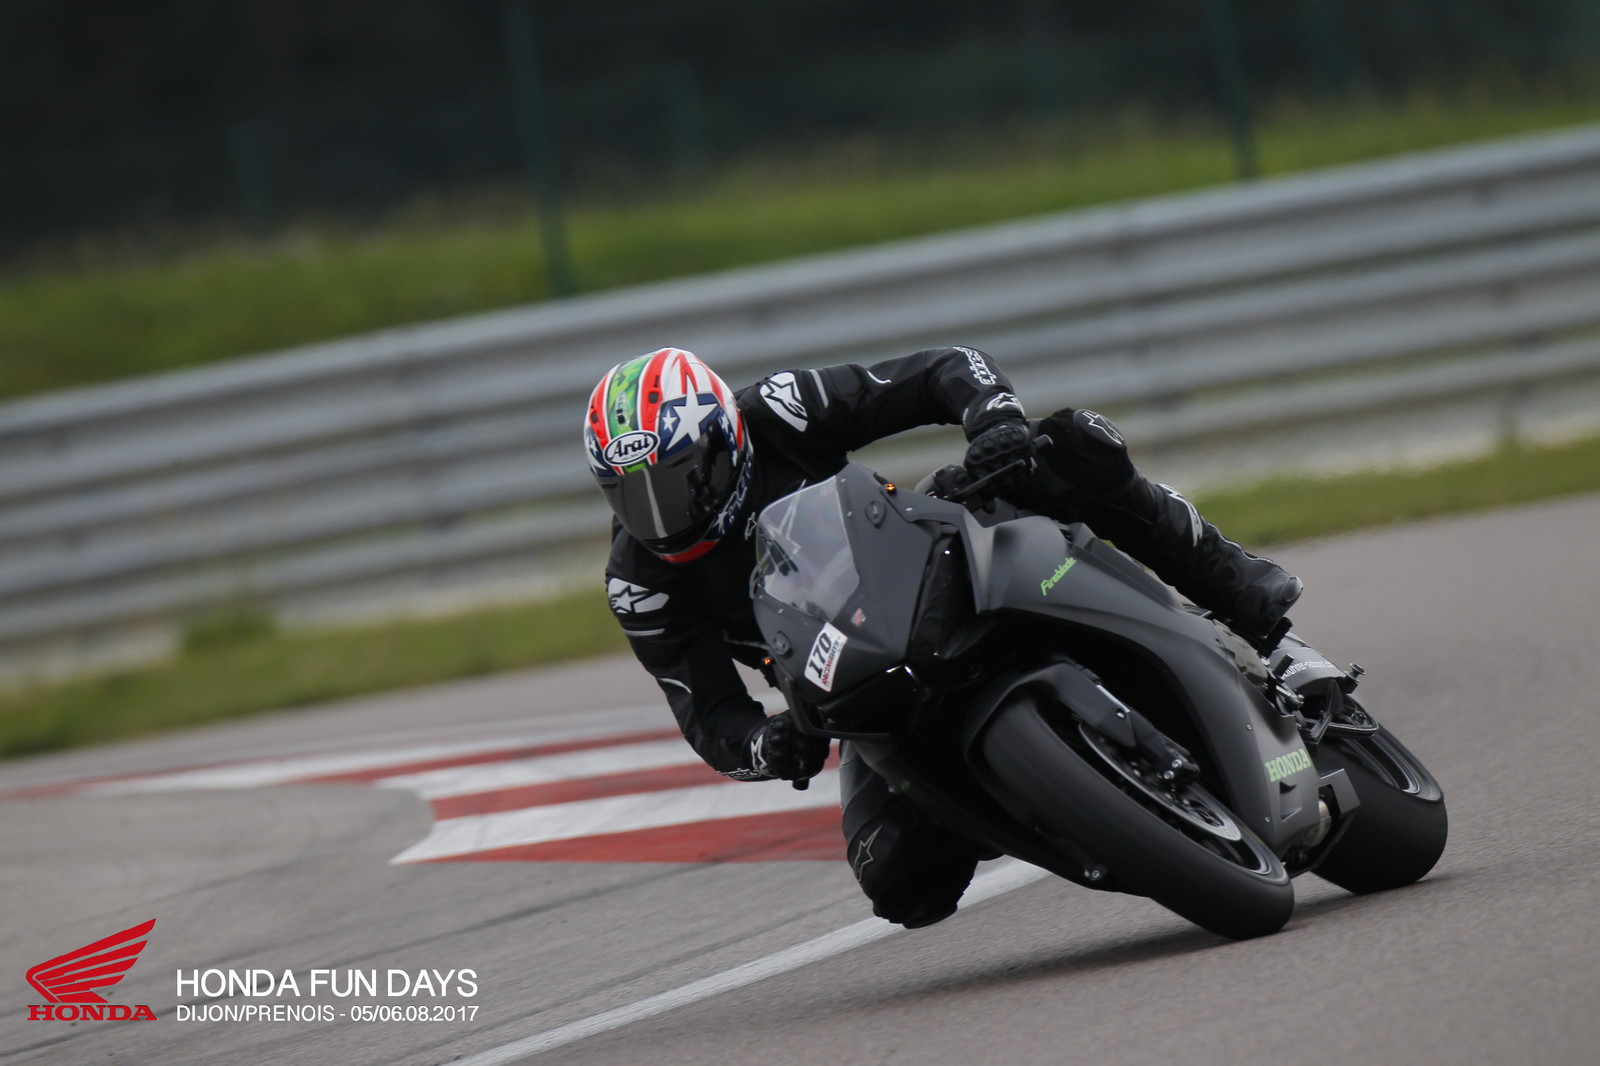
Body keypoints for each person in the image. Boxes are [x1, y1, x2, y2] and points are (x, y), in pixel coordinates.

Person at [584, 345, 1301, 928]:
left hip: (923, 562)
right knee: (898, 879)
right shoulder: (640, 584)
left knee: (1068, 448)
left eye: (675, 482)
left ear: (724, 441)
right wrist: (766, 745)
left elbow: (942, 369)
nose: (660, 515)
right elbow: (709, 715)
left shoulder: (780, 409)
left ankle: (1249, 602)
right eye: (631, 495)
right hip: (851, 682)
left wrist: (993, 422)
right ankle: (1053, 800)